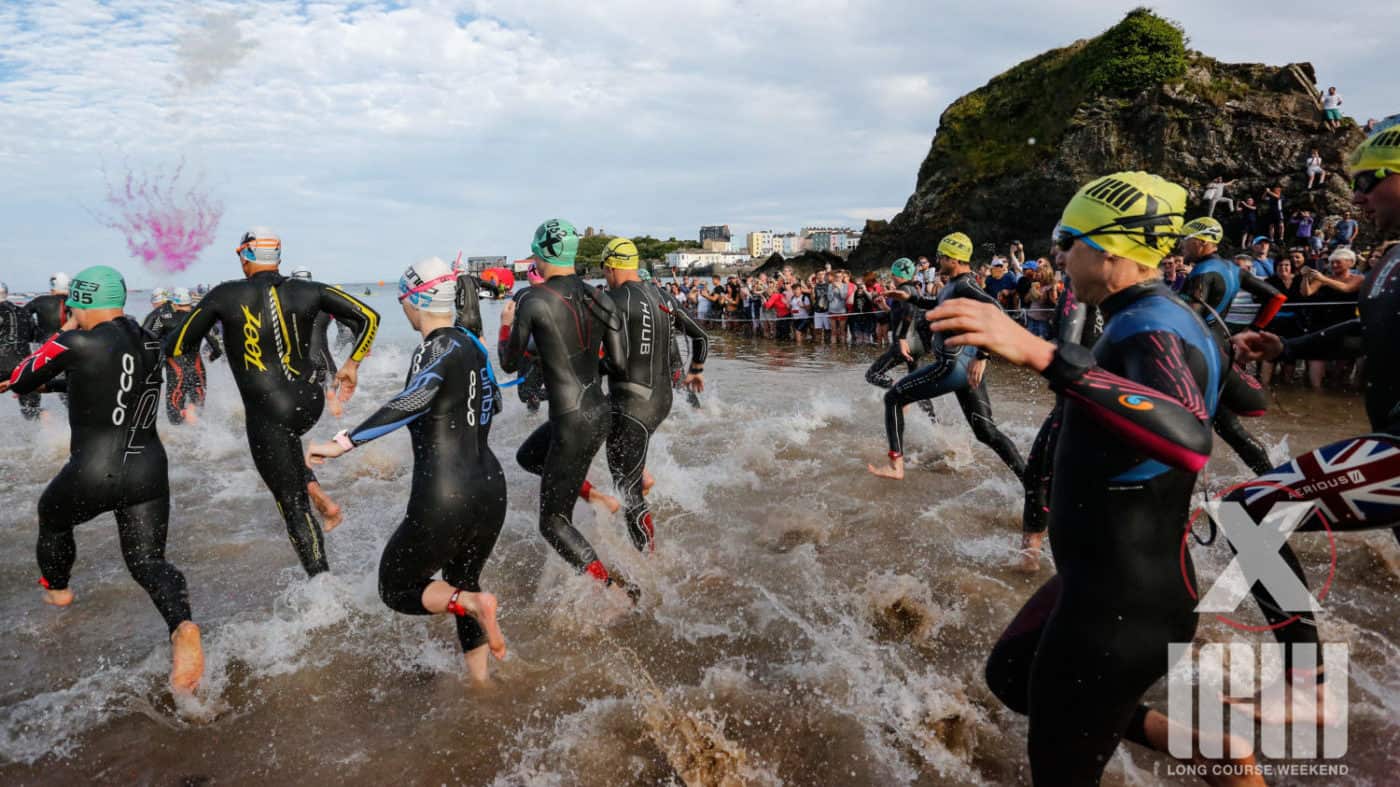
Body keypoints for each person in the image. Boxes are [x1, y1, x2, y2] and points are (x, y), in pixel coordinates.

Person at [931, 172, 1260, 785]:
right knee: (1012, 674)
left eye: (1067, 238)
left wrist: (1044, 356)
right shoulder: (1173, 316)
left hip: (1120, 604)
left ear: (1111, 251)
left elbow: (1189, 439)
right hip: (1115, 581)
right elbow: (1251, 399)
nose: (1057, 253)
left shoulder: (1147, 327)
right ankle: (1211, 749)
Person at [1, 266, 204, 694]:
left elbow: (22, 380)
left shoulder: (76, 339)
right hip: (148, 469)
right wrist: (63, 375)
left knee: (52, 516)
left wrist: (67, 330)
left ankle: (57, 590)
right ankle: (182, 626)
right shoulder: (149, 339)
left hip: (94, 470)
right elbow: (102, 380)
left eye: (72, 305)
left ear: (78, 301)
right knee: (149, 562)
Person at [306, 258, 506, 684]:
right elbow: (493, 405)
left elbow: (415, 398)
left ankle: (475, 607)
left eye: (402, 300)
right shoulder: (471, 344)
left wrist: (342, 443)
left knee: (396, 587)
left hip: (446, 492)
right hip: (490, 487)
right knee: (463, 581)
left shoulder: (434, 347)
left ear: (416, 298)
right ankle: (482, 683)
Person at [168, 228, 380, 576]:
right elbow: (369, 317)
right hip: (309, 403)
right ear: (278, 256)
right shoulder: (310, 289)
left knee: (291, 506)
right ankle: (321, 498)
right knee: (287, 446)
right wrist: (351, 365)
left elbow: (177, 347)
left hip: (267, 410)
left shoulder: (225, 294)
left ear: (245, 256)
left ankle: (322, 588)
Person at [501, 219, 632, 593]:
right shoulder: (599, 297)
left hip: (571, 419)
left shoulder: (531, 299)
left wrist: (505, 326)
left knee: (553, 522)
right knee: (529, 456)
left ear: (543, 252)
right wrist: (571, 359)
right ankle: (597, 497)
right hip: (600, 412)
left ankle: (611, 590)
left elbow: (510, 363)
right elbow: (618, 364)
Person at [869, 233, 1027, 482]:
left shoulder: (965, 285)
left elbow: (995, 309)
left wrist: (983, 355)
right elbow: (938, 303)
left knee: (893, 398)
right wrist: (912, 298)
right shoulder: (954, 285)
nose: (938, 260)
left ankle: (895, 465)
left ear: (954, 258)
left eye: (941, 256)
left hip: (951, 366)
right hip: (963, 369)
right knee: (985, 432)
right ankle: (1030, 480)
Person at [587, 238, 707, 553]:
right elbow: (701, 336)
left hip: (631, 404)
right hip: (661, 401)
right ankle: (642, 473)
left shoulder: (609, 300)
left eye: (605, 269)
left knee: (627, 490)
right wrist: (697, 369)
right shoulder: (663, 295)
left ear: (610, 266)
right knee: (627, 463)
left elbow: (609, 361)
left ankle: (649, 560)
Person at [1178, 216, 1281, 475]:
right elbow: (1276, 296)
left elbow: (1189, 319)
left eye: (1185, 240)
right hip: (1220, 352)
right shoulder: (1233, 269)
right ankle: (1272, 479)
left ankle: (1177, 494)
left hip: (1198, 354)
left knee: (1181, 425)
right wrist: (1254, 329)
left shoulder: (1201, 274)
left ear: (1202, 243)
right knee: (1228, 427)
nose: (1181, 246)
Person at [157, 287, 222, 424]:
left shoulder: (164, 319)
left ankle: (184, 415)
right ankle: (192, 417)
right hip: (197, 366)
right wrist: (211, 357)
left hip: (175, 368)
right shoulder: (199, 318)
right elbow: (216, 347)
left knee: (174, 415)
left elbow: (153, 342)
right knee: (198, 408)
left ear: (174, 303)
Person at [291, 267, 342, 412]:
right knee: (332, 409)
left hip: (300, 365)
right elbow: (348, 325)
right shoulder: (326, 305)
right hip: (326, 363)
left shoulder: (285, 304)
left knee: (302, 409)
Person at [0, 281, 40, 419]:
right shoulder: (23, 312)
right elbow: (34, 336)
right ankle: (54, 434)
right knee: (31, 411)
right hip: (25, 366)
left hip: (2, 364)